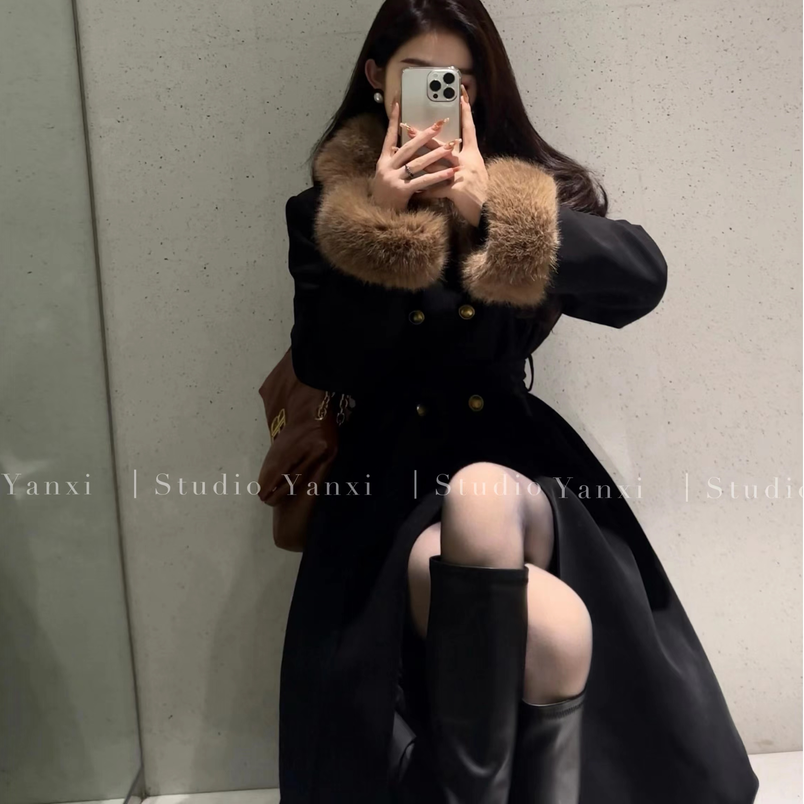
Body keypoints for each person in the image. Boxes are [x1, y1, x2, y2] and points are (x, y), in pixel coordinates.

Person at [276, 1, 760, 802]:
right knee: (550, 626)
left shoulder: (523, 188)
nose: (443, 96)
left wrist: (492, 210)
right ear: (376, 78)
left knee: (481, 495)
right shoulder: (326, 213)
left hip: (516, 464)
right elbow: (326, 361)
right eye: (421, 77)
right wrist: (380, 226)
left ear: (481, 87)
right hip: (391, 483)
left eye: (459, 81)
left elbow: (640, 280)